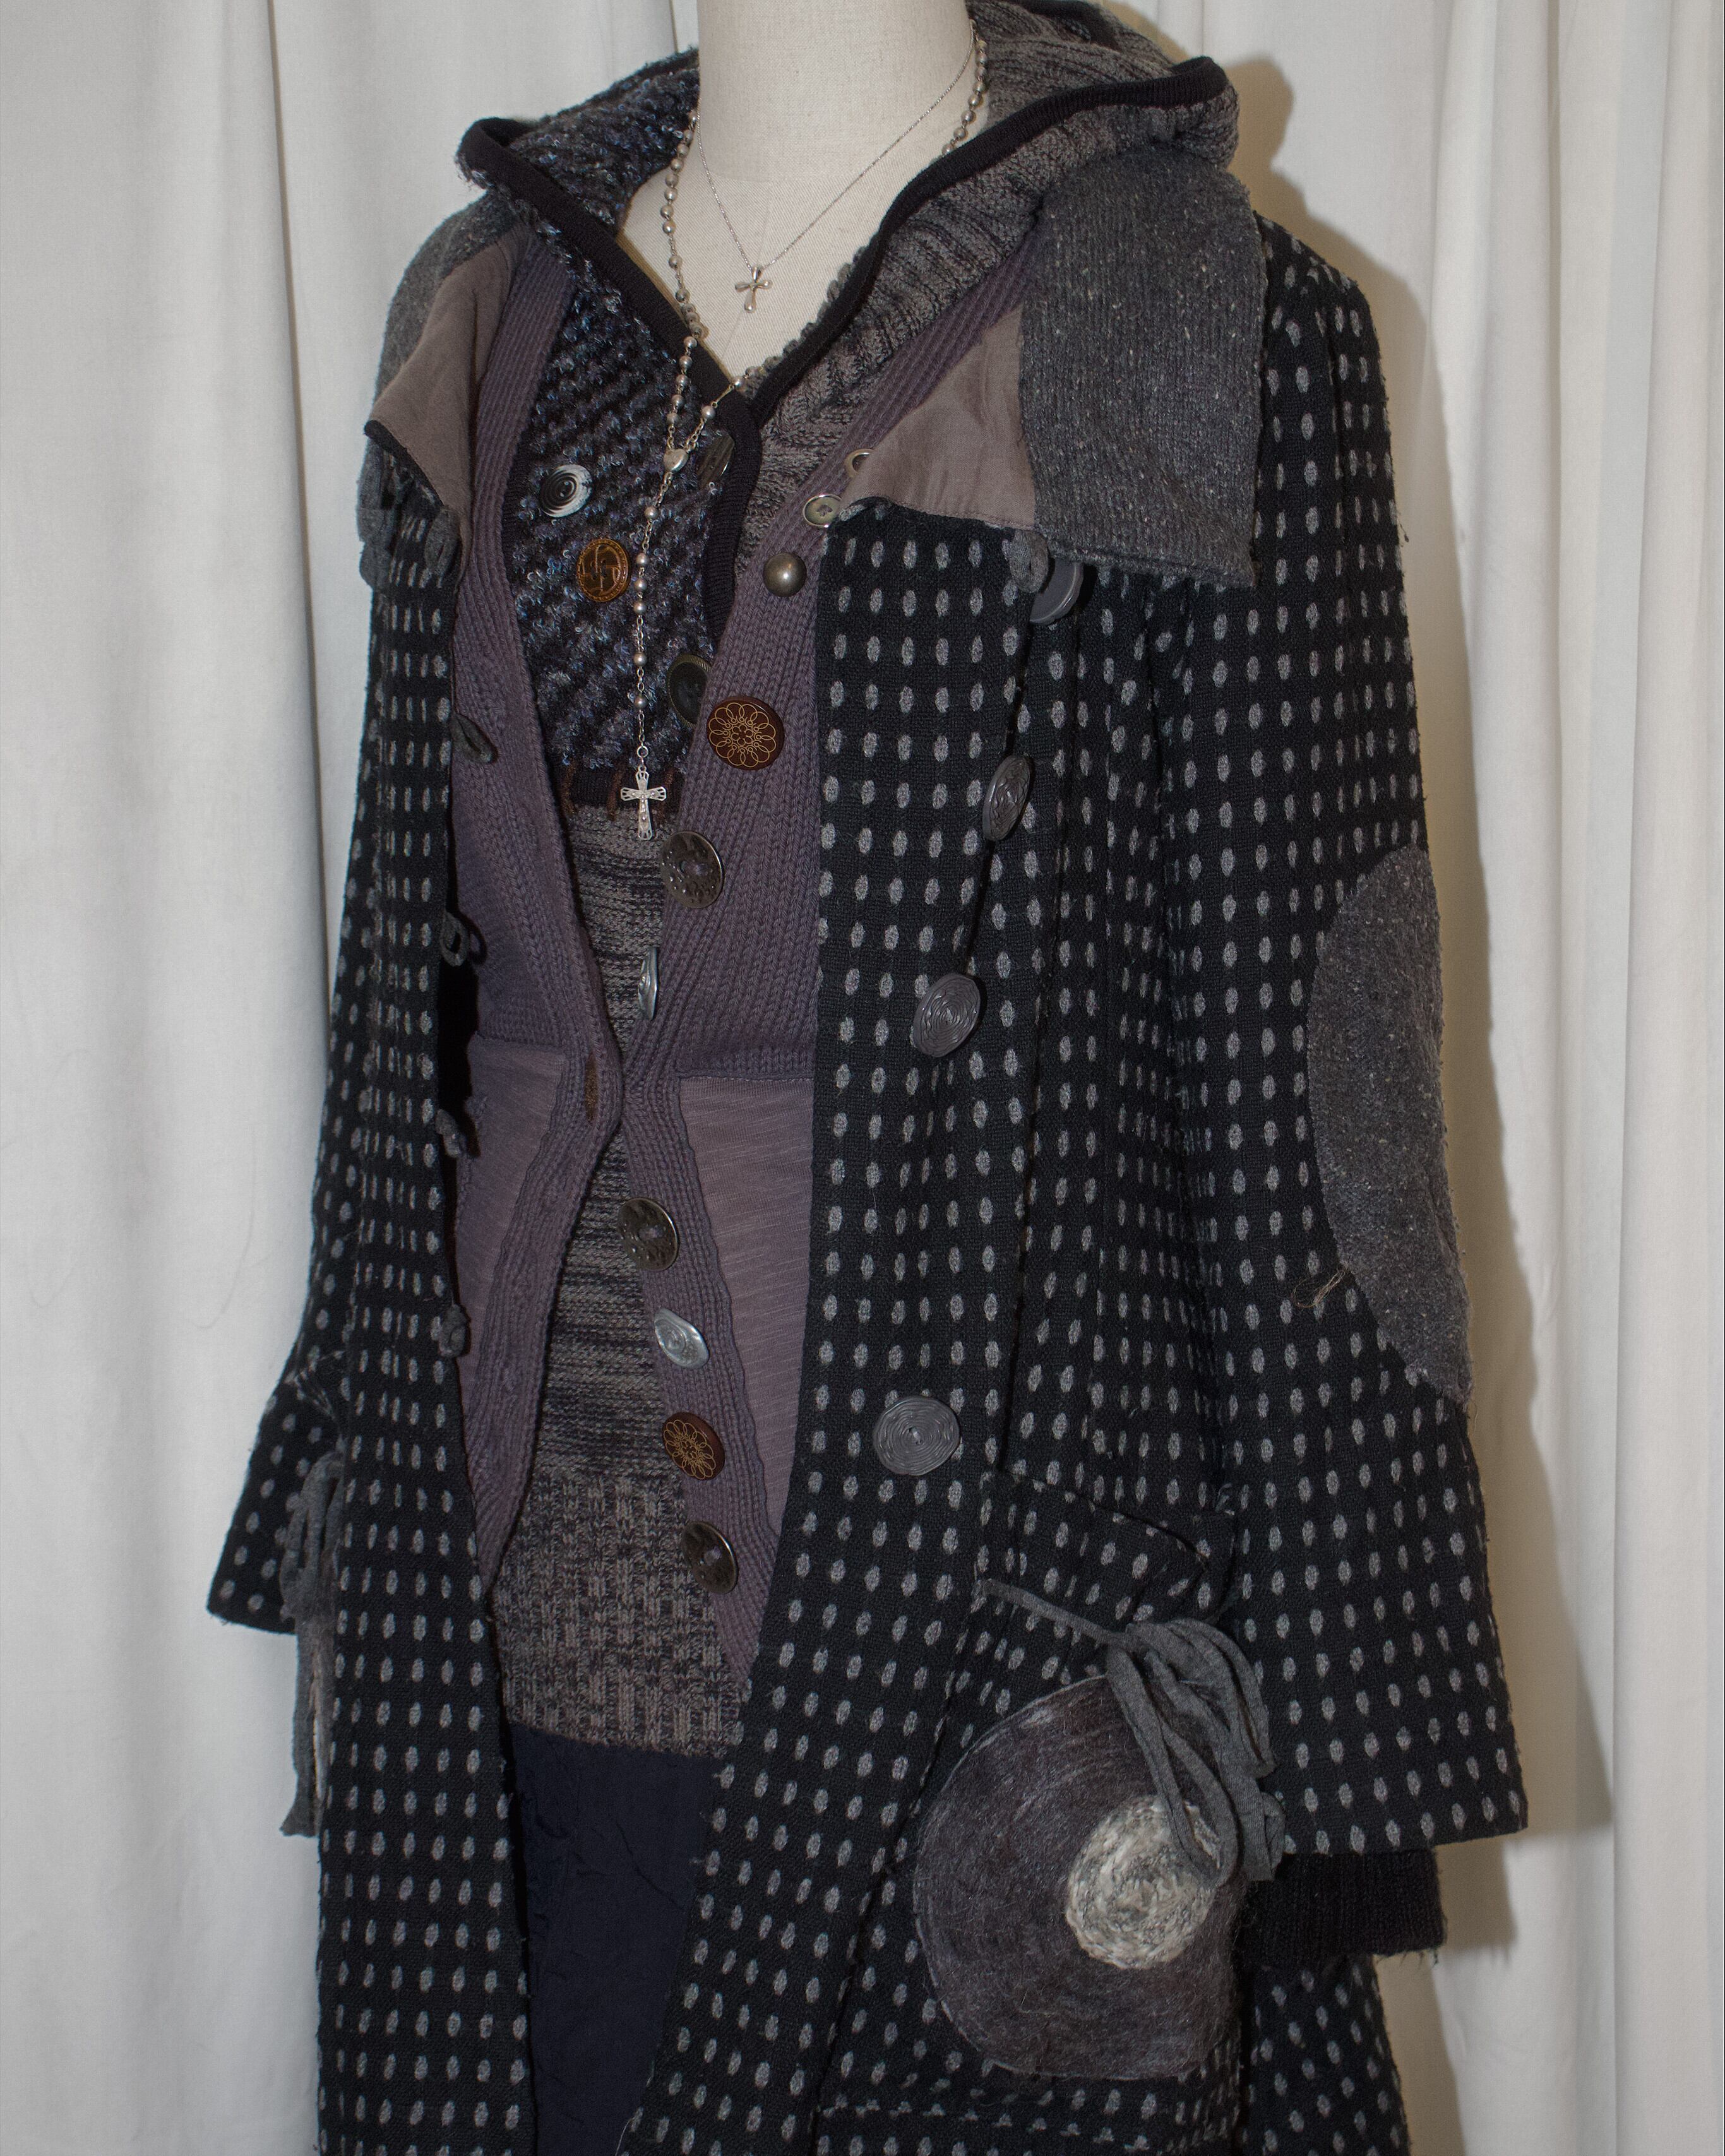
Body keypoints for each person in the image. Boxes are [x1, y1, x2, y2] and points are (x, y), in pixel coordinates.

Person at [211, 4, 1524, 2152]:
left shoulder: (1193, 298)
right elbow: (400, 981)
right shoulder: (491, 289)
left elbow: (1321, 1062)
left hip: (990, 1624)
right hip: (502, 1607)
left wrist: (1348, 1732)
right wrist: (346, 1460)